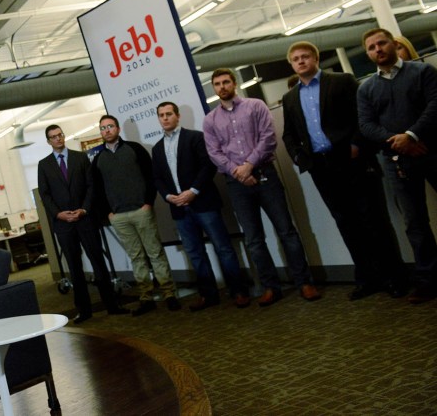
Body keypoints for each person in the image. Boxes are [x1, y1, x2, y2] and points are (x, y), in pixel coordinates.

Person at [281, 41, 406, 300]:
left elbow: (363, 117)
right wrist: (298, 157)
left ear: (316, 59)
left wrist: (357, 145)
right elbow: (289, 134)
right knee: (347, 224)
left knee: (374, 221)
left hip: (353, 161)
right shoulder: (290, 97)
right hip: (321, 167)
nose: (301, 61)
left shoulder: (341, 81)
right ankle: (367, 279)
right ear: (291, 64)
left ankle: (395, 278)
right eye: (296, 59)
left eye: (305, 56)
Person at [202, 68, 320, 307]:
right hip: (236, 184)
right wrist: (240, 172)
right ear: (214, 88)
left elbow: (269, 138)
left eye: (226, 82)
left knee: (287, 231)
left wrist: (248, 166)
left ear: (234, 83)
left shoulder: (255, 106)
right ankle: (270, 287)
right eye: (217, 84)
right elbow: (214, 152)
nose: (222, 86)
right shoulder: (210, 120)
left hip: (266, 175)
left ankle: (304, 282)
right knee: (254, 239)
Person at [357, 27, 437, 304]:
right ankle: (428, 280)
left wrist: (412, 135)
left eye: (381, 43)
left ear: (393, 44)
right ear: (368, 54)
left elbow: (435, 105)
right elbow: (366, 125)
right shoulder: (366, 88)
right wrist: (399, 142)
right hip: (397, 161)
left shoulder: (422, 72)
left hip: (432, 150)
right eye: (371, 47)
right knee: (415, 222)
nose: (377, 49)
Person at [152, 102, 251, 311]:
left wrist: (193, 191)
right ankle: (208, 295)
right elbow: (158, 178)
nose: (165, 118)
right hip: (178, 208)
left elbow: (207, 166)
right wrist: (169, 196)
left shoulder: (195, 137)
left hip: (203, 202)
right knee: (195, 253)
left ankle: (238, 291)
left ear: (177, 116)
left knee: (223, 248)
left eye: (169, 114)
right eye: (161, 115)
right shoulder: (157, 148)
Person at [37, 125, 128, 322]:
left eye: (60, 135)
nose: (58, 139)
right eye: (53, 137)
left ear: (64, 135)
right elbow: (45, 195)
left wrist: (84, 209)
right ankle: (84, 311)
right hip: (63, 224)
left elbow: (91, 186)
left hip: (85, 219)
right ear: (48, 141)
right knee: (74, 267)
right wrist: (59, 214)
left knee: (98, 262)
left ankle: (112, 305)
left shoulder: (80, 158)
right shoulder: (43, 165)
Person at [91, 115, 179, 316]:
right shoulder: (97, 159)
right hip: (119, 217)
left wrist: (148, 202)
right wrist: (108, 214)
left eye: (110, 126)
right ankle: (146, 298)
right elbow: (97, 190)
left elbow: (151, 176)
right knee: (136, 258)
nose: (107, 130)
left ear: (118, 129)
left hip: (142, 211)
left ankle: (169, 294)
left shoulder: (135, 149)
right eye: (103, 128)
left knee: (155, 253)